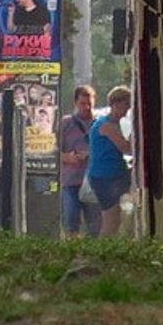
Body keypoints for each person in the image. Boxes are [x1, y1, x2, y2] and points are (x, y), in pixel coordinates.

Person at [88, 85, 134, 237]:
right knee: (111, 218)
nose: (128, 109)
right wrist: (135, 138)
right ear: (116, 104)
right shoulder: (106, 125)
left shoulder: (113, 123)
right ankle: (104, 249)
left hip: (113, 173)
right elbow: (125, 148)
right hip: (105, 177)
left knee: (116, 216)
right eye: (126, 104)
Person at [58, 85, 101, 238]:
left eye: (90, 103)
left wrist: (90, 156)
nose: (87, 107)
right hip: (71, 181)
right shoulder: (66, 124)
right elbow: (55, 151)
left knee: (95, 225)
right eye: (83, 104)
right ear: (76, 103)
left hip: (94, 181)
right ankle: (72, 252)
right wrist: (68, 157)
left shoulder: (100, 124)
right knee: (71, 222)